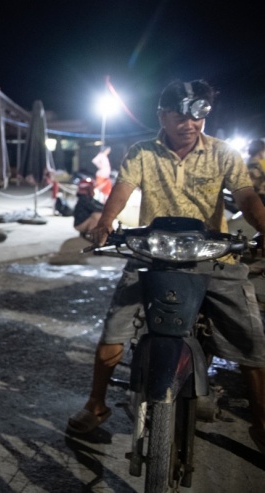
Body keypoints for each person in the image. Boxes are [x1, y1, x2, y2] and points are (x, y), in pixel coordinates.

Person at [66, 79, 265, 457]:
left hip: (213, 258)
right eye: (179, 115)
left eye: (198, 115)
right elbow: (121, 192)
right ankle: (96, 403)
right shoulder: (142, 152)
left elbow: (246, 197)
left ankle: (262, 420)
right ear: (162, 115)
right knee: (114, 330)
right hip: (153, 256)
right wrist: (105, 224)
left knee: (252, 343)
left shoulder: (224, 154)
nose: (189, 124)